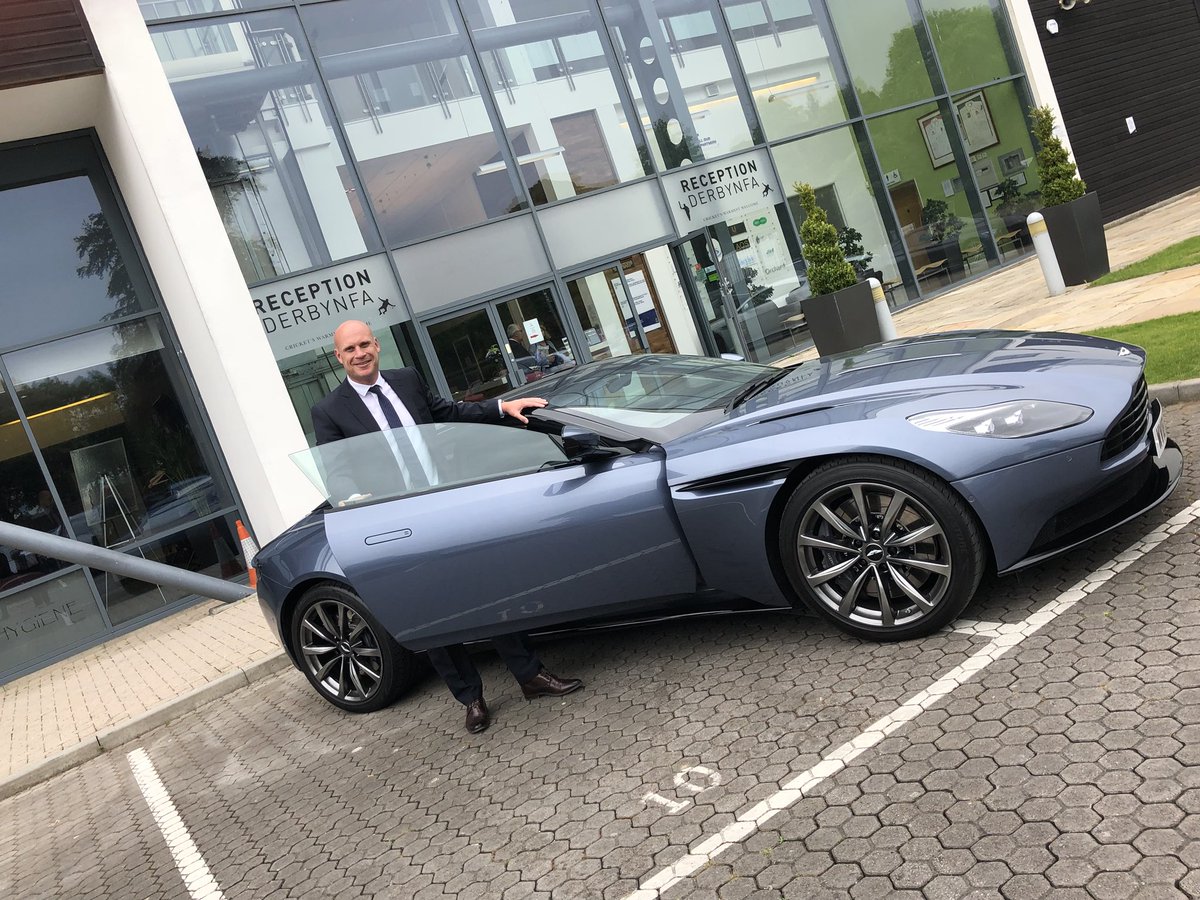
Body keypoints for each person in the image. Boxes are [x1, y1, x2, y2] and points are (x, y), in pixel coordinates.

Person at [311, 320, 583, 733]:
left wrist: (500, 408)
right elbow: (337, 467)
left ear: (377, 346)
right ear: (339, 357)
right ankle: (470, 698)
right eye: (350, 350)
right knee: (430, 609)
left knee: (488, 591)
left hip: (444, 507)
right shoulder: (329, 410)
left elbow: (449, 414)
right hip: (394, 524)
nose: (359, 354)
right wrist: (349, 495)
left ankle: (530, 676)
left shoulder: (406, 380)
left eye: (364, 344)